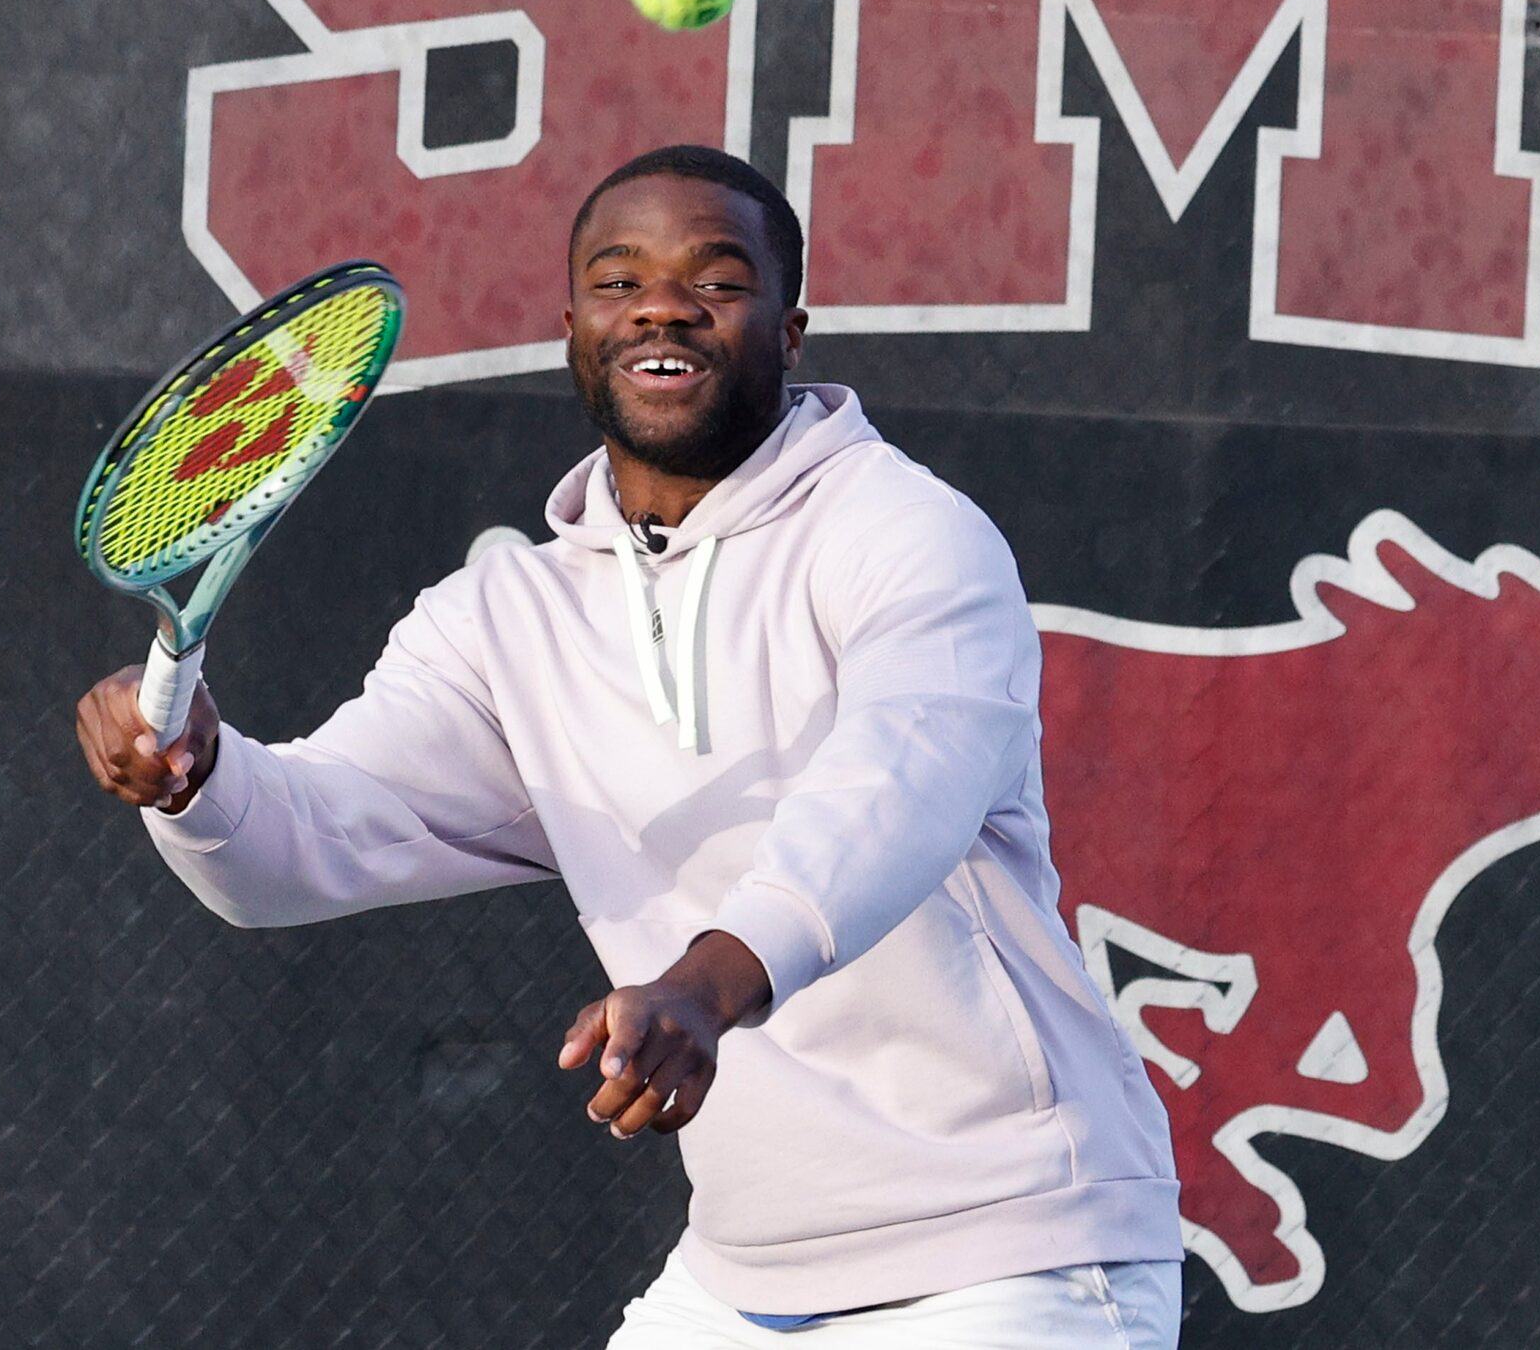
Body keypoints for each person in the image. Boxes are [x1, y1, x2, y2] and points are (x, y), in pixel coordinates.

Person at [73, 145, 1183, 1347]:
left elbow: (899, 788)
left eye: (716, 280)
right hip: (743, 1270)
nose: (662, 305)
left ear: (791, 330)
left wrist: (708, 984)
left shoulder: (908, 533)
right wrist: (198, 780)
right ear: (571, 327)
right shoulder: (503, 616)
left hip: (1013, 1260)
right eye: (619, 281)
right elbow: (308, 839)